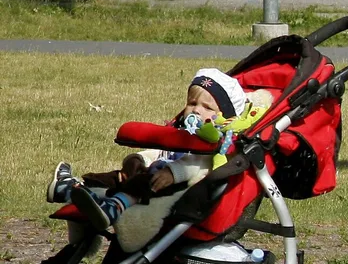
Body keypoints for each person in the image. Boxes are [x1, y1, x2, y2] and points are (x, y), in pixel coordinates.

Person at [47, 68, 270, 230]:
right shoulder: (183, 130)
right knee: (115, 177)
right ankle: (70, 189)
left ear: (226, 116)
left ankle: (113, 208)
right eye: (192, 103)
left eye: (206, 107)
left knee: (140, 184)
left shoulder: (219, 141)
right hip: (155, 171)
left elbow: (200, 165)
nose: (195, 110)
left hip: (178, 187)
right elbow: (164, 151)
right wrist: (139, 158)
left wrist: (173, 173)